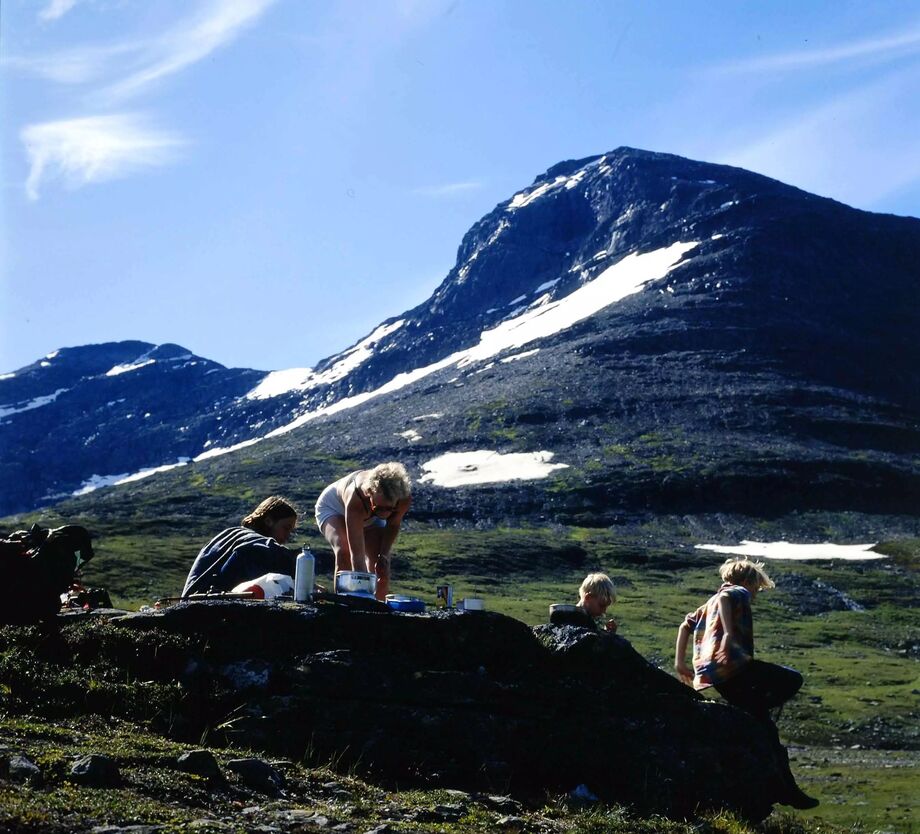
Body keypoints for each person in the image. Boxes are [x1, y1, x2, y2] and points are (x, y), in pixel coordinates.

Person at [674, 556, 819, 810]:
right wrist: (729, 632)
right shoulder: (735, 592)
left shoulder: (708, 603)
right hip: (734, 666)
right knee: (792, 679)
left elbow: (684, 625)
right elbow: (726, 597)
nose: (755, 594)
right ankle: (786, 788)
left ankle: (787, 789)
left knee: (766, 730)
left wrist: (680, 664)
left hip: (717, 677)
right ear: (748, 581)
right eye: (756, 588)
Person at [315, 463, 412, 600]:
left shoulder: (403, 497)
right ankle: (344, 606)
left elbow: (393, 525)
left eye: (389, 509)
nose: (383, 513)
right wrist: (362, 596)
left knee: (381, 567)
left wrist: (383, 555)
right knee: (344, 550)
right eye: (379, 507)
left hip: (369, 516)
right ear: (370, 492)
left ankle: (378, 611)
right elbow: (357, 558)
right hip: (335, 507)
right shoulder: (356, 496)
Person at [181, 496, 298, 597]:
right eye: (286, 528)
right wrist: (301, 577)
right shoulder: (251, 542)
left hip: (191, 601)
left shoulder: (230, 536)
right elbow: (271, 549)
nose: (288, 536)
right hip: (199, 606)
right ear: (268, 521)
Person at [549, 572, 618, 632]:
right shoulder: (572, 620)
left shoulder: (589, 623)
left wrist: (607, 633)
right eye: (601, 605)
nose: (604, 611)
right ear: (588, 597)